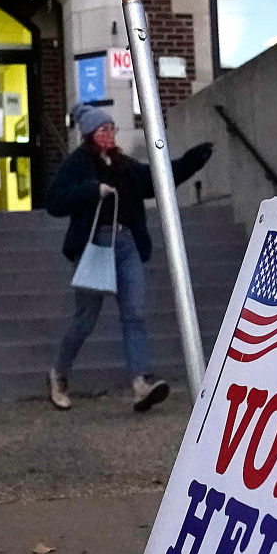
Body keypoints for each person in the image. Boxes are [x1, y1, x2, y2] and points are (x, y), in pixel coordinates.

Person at [46, 104, 213, 412]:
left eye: (111, 129)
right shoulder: (78, 164)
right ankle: (58, 374)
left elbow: (155, 180)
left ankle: (141, 383)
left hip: (126, 243)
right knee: (85, 319)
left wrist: (192, 161)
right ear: (89, 135)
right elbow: (54, 201)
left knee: (134, 313)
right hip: (95, 245)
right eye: (102, 130)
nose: (109, 134)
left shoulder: (124, 165)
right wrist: (92, 189)